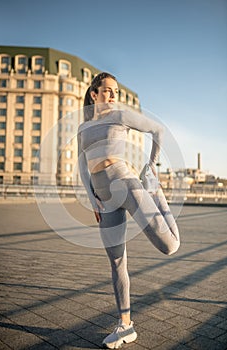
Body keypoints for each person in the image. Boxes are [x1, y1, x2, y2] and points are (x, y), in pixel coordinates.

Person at [77, 72, 180, 349]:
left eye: (115, 92)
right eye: (107, 91)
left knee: (169, 247)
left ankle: (156, 194)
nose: (112, 96)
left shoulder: (121, 116)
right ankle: (125, 326)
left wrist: (152, 168)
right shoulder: (83, 128)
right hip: (104, 198)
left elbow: (157, 130)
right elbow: (81, 166)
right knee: (117, 262)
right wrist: (92, 198)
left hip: (128, 184)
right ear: (93, 94)